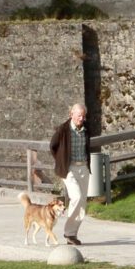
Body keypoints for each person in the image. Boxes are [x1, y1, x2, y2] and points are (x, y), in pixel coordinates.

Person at [46, 101, 90, 245]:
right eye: (79, 116)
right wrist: (61, 161)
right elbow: (53, 146)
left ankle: (72, 235)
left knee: (82, 203)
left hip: (83, 168)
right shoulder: (63, 130)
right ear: (71, 115)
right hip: (69, 169)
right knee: (76, 197)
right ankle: (68, 232)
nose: (81, 119)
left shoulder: (86, 129)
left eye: (83, 116)